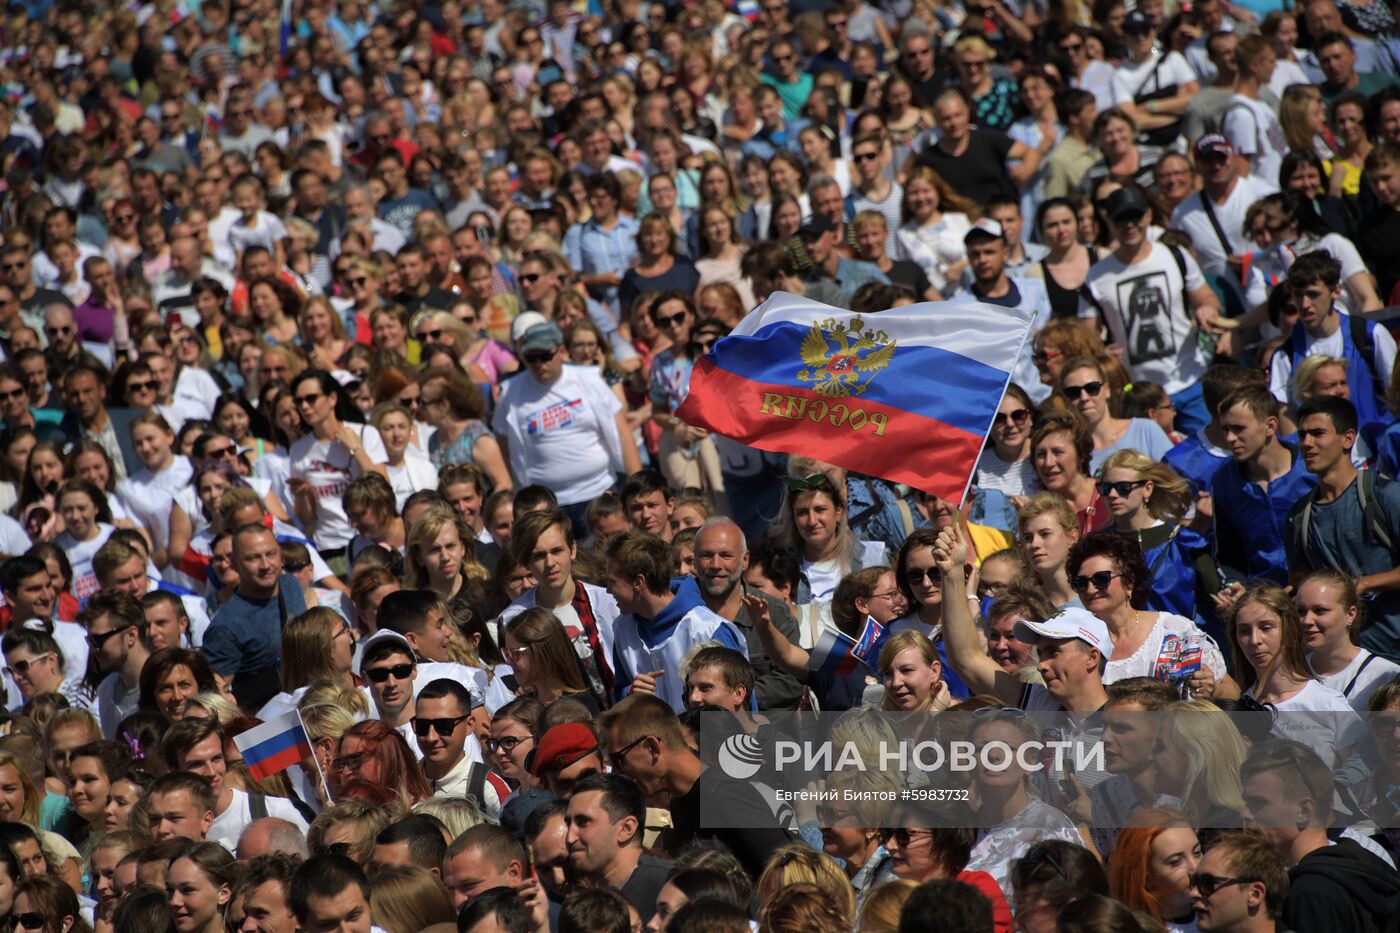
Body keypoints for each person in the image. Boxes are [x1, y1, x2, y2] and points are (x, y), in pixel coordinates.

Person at [1081, 186, 1230, 434]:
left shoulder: (1174, 255)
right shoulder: (1096, 277)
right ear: (1108, 220)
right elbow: (1088, 340)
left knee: (1209, 457)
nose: (1129, 224)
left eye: (1135, 216)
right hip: (1138, 394)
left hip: (1189, 381)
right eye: (1121, 218)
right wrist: (1101, 353)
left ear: (1148, 216)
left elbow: (1207, 298)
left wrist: (1206, 309)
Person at [600, 692, 793, 879]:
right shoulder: (682, 801)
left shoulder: (723, 795)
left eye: (619, 759)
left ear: (652, 748)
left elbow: (791, 872)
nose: (616, 772)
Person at [493, 320, 640, 529]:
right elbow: (501, 436)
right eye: (531, 358)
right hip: (548, 504)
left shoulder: (588, 380)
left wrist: (636, 490)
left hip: (599, 492)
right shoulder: (511, 392)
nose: (539, 364)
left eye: (545, 356)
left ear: (561, 351)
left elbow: (622, 433)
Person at [1240, 740, 1400, 931]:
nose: (1244, 814)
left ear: (1304, 811)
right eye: (1246, 802)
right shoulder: (1360, 859)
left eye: (1258, 803)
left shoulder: (1310, 892)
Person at [605, 530, 746, 712]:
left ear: (638, 582)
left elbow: (742, 703)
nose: (607, 590)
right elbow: (620, 693)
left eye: (612, 582)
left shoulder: (708, 629)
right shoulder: (622, 628)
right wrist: (630, 693)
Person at [1213, 383, 1316, 585]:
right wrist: (1234, 585)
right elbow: (1228, 555)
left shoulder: (1311, 469)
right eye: (1225, 429)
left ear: (1270, 426)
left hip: (1319, 595)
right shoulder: (1225, 480)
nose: (1229, 438)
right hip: (1264, 598)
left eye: (1238, 428)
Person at [202, 523, 309, 710]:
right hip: (272, 725)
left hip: (315, 704)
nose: (265, 565)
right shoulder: (225, 626)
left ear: (281, 556)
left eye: (270, 554)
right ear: (235, 564)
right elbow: (216, 700)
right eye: (253, 558)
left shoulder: (291, 585)